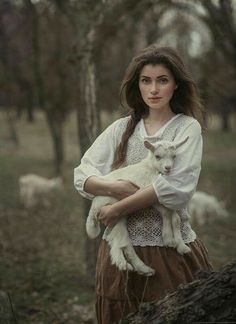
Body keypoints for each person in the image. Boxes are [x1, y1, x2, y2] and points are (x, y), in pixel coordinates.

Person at [74, 44, 213, 324]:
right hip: (121, 255)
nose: (153, 89)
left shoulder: (186, 129)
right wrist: (115, 189)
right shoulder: (120, 129)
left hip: (169, 253)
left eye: (162, 80)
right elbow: (82, 175)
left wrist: (117, 209)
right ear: (137, 86)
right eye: (146, 81)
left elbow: (177, 189)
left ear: (176, 85)